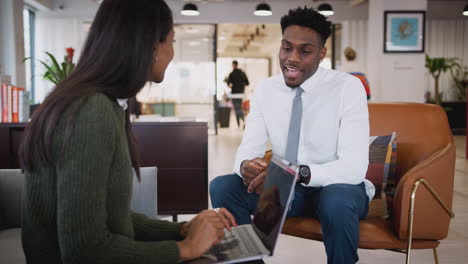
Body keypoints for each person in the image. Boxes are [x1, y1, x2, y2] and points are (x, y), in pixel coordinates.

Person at [19, 1, 236, 263]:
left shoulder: (102, 102)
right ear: (151, 47)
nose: (172, 53)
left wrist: (180, 230)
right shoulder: (92, 109)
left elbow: (109, 214)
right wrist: (186, 248)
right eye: (172, 42)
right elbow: (84, 251)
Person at [210, 6, 372, 264]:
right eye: (287, 48)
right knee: (223, 186)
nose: (292, 58)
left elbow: (354, 168)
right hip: (287, 190)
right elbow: (249, 146)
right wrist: (246, 166)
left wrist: (300, 173)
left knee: (337, 200)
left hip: (335, 188)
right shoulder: (266, 90)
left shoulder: (347, 88)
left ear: (321, 54)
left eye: (305, 51)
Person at [226, 60, 249, 128]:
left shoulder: (231, 74)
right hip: (240, 94)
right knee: (238, 108)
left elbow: (228, 84)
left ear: (234, 65)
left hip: (234, 94)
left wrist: (233, 86)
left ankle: (243, 122)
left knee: (237, 109)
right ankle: (240, 124)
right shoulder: (242, 73)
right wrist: (242, 86)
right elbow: (247, 83)